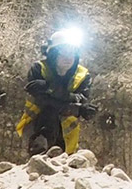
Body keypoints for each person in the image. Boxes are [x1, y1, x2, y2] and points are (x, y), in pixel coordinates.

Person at [16, 27, 99, 158]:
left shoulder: (83, 75)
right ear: (53, 54)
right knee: (49, 113)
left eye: (72, 53)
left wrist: (50, 89)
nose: (68, 58)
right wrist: (74, 106)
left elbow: (83, 100)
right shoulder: (39, 69)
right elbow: (44, 101)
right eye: (63, 53)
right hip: (38, 129)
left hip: (66, 134)